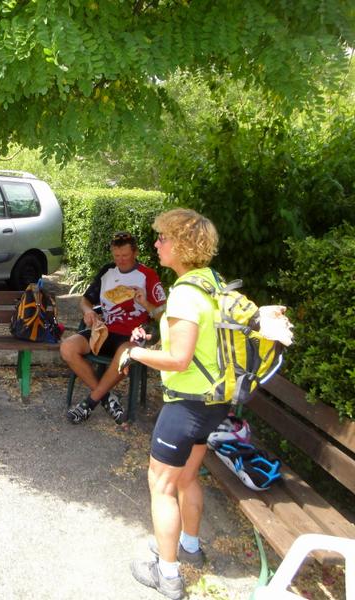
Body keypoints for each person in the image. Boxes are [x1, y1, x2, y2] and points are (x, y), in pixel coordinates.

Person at [121, 209, 229, 599]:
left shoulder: (185, 292)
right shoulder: (212, 282)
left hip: (186, 405)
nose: (156, 244)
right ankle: (190, 547)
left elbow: (179, 359)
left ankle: (167, 575)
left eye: (163, 238)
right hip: (214, 400)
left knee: (162, 486)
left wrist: (136, 354)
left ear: (180, 244)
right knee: (186, 478)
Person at [61, 231, 165, 424]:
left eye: (125, 256)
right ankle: (107, 397)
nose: (121, 261)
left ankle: (89, 403)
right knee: (68, 347)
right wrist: (88, 311)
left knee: (125, 353)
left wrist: (145, 304)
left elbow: (162, 315)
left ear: (135, 253)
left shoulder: (147, 275)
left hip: (132, 335)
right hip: (105, 331)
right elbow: (85, 300)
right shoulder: (108, 271)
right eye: (117, 256)